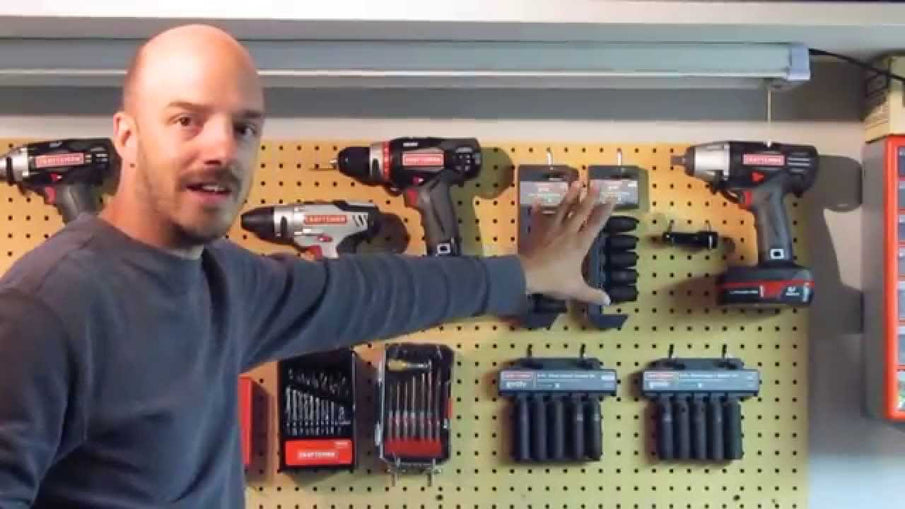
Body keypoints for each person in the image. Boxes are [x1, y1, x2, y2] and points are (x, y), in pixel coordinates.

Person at [0, 24, 615, 508]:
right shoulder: (47, 311)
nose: (221, 148)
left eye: (244, 128)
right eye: (186, 120)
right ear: (127, 138)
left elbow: (367, 291)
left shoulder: (223, 281)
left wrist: (524, 274)